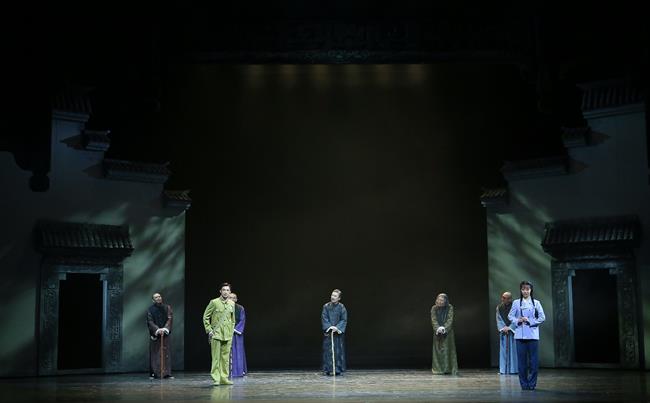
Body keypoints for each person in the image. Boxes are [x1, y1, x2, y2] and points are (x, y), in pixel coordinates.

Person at [508, 280, 546, 390]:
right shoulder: (516, 303)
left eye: (527, 289)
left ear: (531, 290)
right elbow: (510, 316)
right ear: (521, 290)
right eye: (523, 289)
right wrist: (518, 320)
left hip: (532, 335)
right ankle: (524, 384)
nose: (525, 291)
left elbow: (542, 317)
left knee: (533, 362)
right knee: (521, 363)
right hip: (520, 336)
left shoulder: (536, 303)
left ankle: (532, 384)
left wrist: (530, 321)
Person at [203, 283, 236, 386]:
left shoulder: (232, 303)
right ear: (220, 291)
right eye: (224, 290)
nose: (225, 292)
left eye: (227, 290)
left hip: (228, 334)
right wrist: (209, 330)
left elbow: (233, 320)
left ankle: (224, 378)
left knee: (225, 358)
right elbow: (205, 316)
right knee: (216, 358)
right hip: (216, 334)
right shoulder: (214, 302)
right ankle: (216, 378)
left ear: (230, 292)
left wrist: (231, 331)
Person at [147, 292, 173, 379]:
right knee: (155, 354)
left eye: (159, 296)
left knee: (166, 353)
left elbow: (169, 318)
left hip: (165, 334)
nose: (158, 298)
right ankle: (154, 373)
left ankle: (166, 373)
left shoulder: (167, 307)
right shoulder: (150, 310)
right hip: (156, 334)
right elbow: (150, 321)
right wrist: (157, 330)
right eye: (156, 297)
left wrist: (165, 328)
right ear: (153, 300)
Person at [430, 293, 458, 375]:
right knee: (438, 350)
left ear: (445, 301)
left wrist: (444, 328)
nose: (440, 301)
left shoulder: (450, 307)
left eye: (442, 300)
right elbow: (433, 319)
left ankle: (449, 369)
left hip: (447, 332)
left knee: (448, 349)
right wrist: (438, 328)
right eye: (438, 300)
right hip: (437, 332)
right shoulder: (434, 308)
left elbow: (450, 319)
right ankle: (438, 369)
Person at [321, 289, 347, 376]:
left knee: (338, 351)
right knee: (328, 351)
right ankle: (327, 369)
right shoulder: (326, 306)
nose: (333, 297)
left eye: (335, 296)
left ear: (339, 298)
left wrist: (337, 328)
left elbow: (344, 319)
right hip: (328, 333)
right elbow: (324, 317)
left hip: (337, 333)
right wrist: (329, 327)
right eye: (332, 295)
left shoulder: (341, 307)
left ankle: (338, 369)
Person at [496, 291, 518, 375]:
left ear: (510, 299)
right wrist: (503, 328)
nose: (503, 299)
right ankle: (503, 370)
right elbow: (498, 319)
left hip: (513, 332)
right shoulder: (499, 307)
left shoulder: (515, 307)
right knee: (503, 350)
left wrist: (510, 327)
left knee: (513, 350)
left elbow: (516, 318)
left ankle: (513, 369)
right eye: (503, 297)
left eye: (505, 298)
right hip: (504, 331)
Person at [228, 292, 247, 377]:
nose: (232, 299)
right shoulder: (224, 308)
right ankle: (228, 372)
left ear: (236, 299)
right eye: (230, 297)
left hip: (237, 333)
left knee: (238, 351)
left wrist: (235, 329)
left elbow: (242, 320)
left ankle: (239, 371)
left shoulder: (240, 308)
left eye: (234, 298)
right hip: (227, 332)